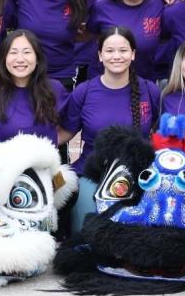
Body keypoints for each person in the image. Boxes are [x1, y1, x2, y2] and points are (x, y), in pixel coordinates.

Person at [63, 26, 161, 233]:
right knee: (85, 231)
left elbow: (161, 133)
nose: (116, 56)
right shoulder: (84, 91)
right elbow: (65, 133)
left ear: (133, 54)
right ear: (99, 55)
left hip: (139, 174)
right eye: (109, 51)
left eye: (123, 50)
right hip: (92, 173)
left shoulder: (150, 90)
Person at [0, 30, 70, 145]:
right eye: (13, 53)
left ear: (37, 58)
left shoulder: (55, 89)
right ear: (4, 59)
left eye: (27, 52)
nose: (20, 59)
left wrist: (49, 145)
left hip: (44, 161)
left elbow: (70, 126)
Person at [88, 0, 168, 80]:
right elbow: (89, 34)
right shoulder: (101, 7)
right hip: (105, 82)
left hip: (146, 81)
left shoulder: (160, 3)